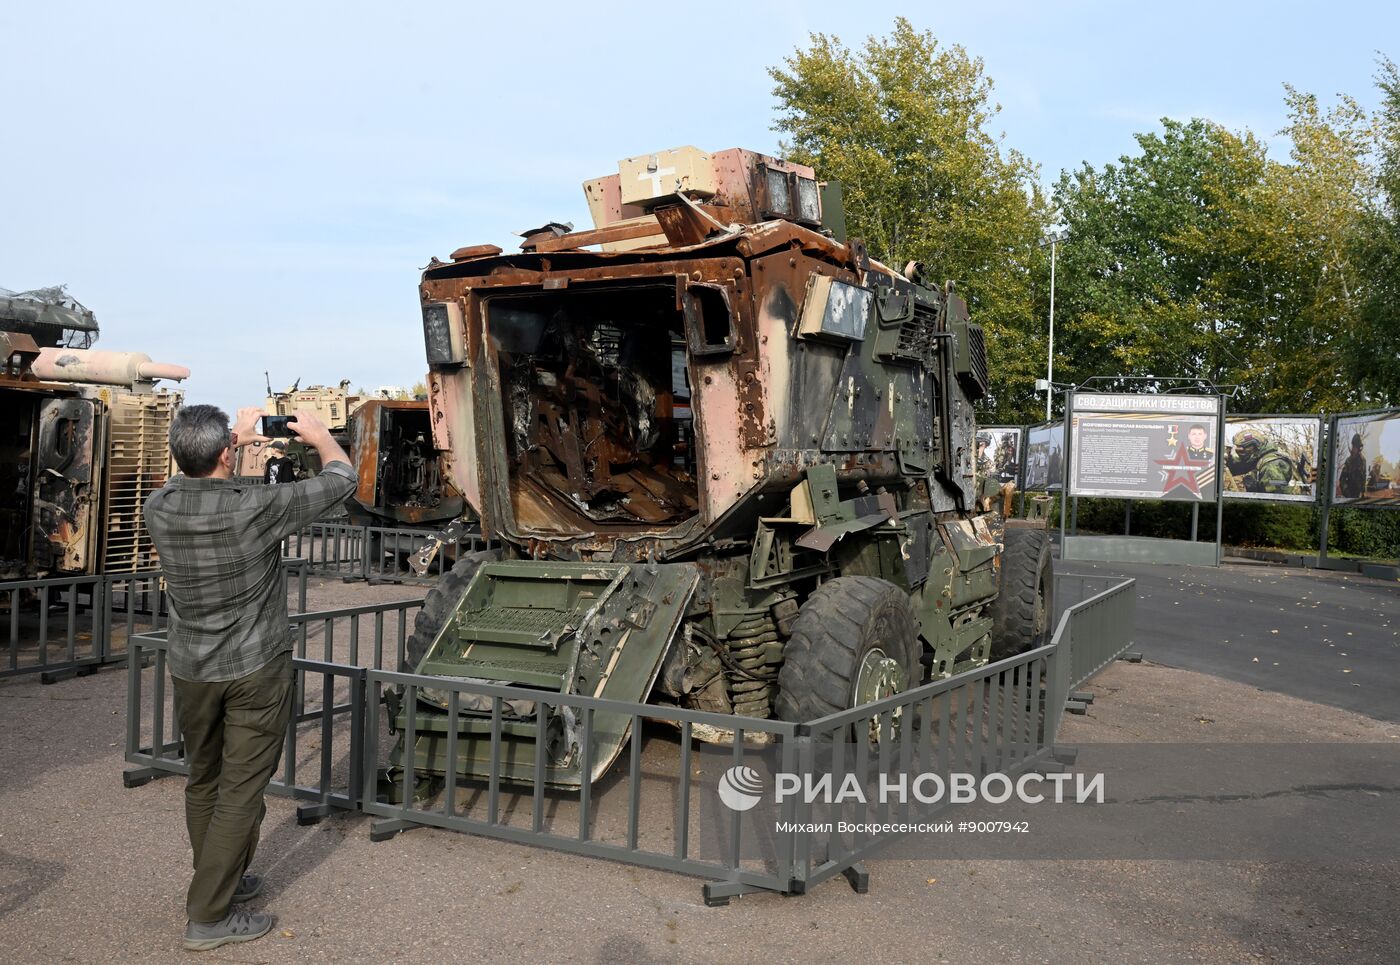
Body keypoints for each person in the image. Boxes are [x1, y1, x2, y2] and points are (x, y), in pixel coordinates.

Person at [144, 405, 355, 951]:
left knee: (205, 779)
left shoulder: (159, 505)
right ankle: (209, 916)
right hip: (254, 667)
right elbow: (341, 479)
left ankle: (225, 878)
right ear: (226, 453)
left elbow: (190, 474)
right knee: (242, 789)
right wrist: (320, 438)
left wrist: (224, 445)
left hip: (192, 666)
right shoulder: (255, 508)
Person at [1227, 431, 1296, 495]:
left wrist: (1254, 489)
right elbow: (1241, 466)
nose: (1239, 453)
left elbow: (1276, 498)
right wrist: (1228, 460)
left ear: (1253, 448)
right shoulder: (1261, 454)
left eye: (1241, 451)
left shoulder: (1271, 466)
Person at [1337, 433, 1366, 499]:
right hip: (1349, 493)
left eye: (1356, 447)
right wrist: (1346, 492)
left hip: (1358, 495)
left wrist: (1363, 492)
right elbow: (1342, 479)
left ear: (1359, 448)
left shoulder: (1363, 461)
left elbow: (1363, 476)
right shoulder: (1349, 461)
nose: (1354, 449)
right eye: (1354, 446)